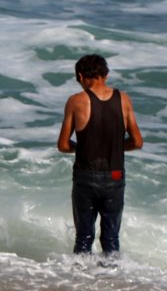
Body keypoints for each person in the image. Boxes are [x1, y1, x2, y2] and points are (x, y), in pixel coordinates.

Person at [56, 54, 143, 255]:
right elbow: (137, 142)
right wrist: (114, 147)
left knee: (84, 238)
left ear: (81, 75)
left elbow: (62, 144)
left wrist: (83, 146)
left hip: (86, 176)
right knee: (111, 238)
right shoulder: (124, 99)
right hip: (115, 176)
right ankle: (111, 281)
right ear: (106, 75)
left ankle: (80, 281)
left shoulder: (76, 101)